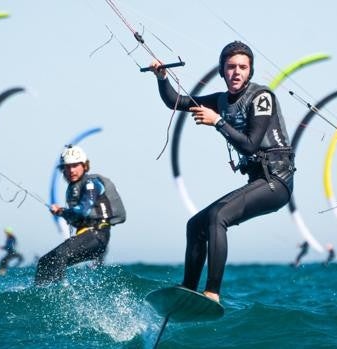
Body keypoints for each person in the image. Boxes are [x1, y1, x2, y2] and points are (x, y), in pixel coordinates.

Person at [149, 41, 295, 302]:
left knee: (218, 216)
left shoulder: (262, 97)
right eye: (231, 67)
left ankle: (212, 293)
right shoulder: (220, 100)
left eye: (242, 67)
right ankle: (189, 291)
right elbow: (176, 102)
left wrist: (217, 121)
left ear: (250, 71)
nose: (236, 72)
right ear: (222, 70)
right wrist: (162, 78)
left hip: (277, 181)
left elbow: (250, 146)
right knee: (195, 225)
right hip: (258, 181)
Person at [34, 145, 126, 286]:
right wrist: (62, 213)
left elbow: (83, 210)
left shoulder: (92, 184)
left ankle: (59, 297)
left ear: (84, 165)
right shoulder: (73, 188)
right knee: (45, 262)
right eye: (67, 167)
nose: (71, 170)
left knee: (60, 255)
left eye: (75, 165)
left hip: (97, 236)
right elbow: (77, 218)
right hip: (85, 236)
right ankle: (40, 295)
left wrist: (62, 211)